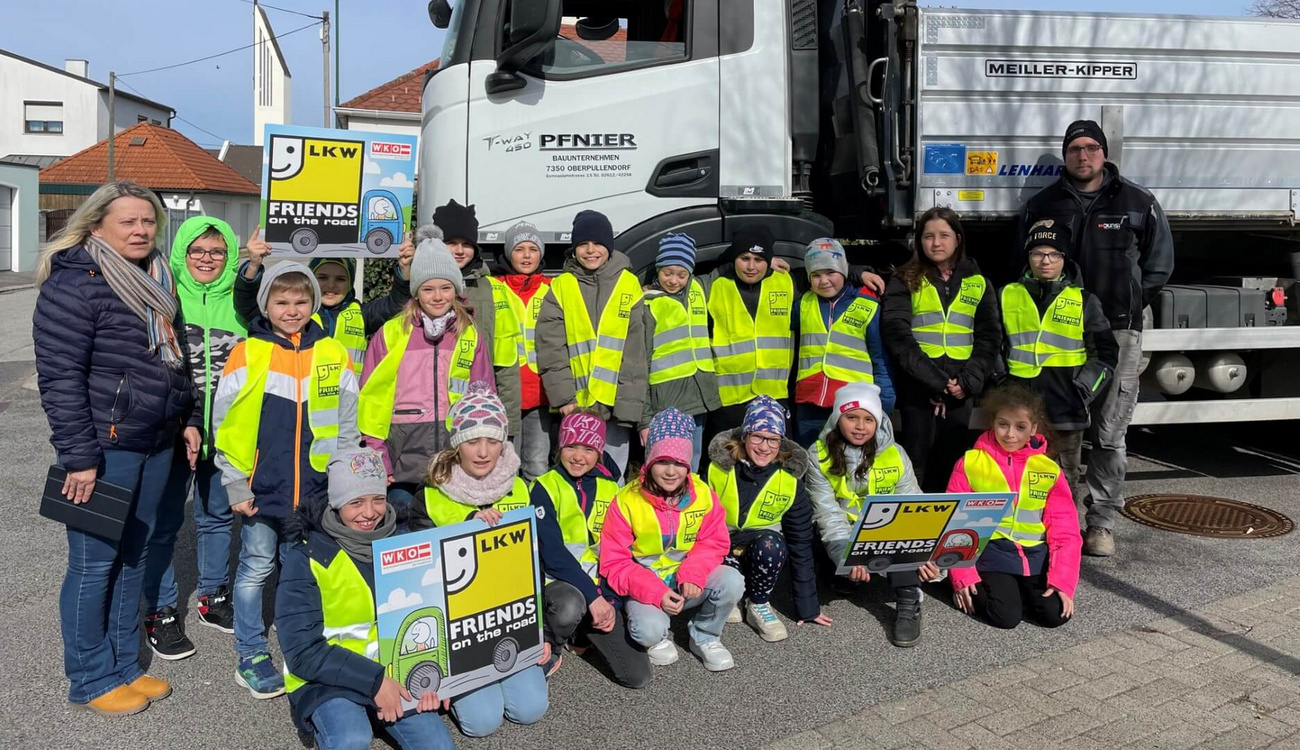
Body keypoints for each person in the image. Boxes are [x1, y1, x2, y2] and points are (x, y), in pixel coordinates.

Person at [34, 181, 193, 716]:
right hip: (105, 447)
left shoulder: (158, 277)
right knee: (94, 562)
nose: (141, 230)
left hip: (155, 441)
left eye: (147, 221)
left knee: (135, 555)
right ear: (97, 224)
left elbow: (178, 361)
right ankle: (90, 676)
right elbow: (60, 377)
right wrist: (78, 456)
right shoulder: (76, 284)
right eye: (128, 221)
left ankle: (126, 664)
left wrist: (186, 421)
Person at [1021, 120, 1174, 558]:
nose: (1082, 156)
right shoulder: (1043, 205)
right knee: (1056, 431)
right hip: (1059, 334)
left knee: (1109, 432)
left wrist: (1126, 303)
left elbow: (1159, 265)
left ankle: (1101, 521)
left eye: (1091, 148)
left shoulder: (1138, 202)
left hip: (1119, 332)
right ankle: (1058, 519)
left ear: (1104, 154)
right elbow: (1024, 261)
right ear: (1065, 155)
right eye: (1074, 149)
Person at [213, 261, 360, 701]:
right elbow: (226, 423)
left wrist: (346, 481)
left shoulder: (332, 353)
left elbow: (348, 423)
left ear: (314, 303)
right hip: (262, 487)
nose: (292, 309)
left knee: (309, 570)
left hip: (319, 491)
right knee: (256, 567)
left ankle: (310, 644)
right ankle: (251, 653)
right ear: (266, 304)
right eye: (282, 301)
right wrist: (235, 482)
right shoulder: (248, 353)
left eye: (301, 301)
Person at [277, 448, 456, 750]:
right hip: (328, 679)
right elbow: (302, 651)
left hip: (394, 672)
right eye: (355, 502)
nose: (370, 512)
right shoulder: (306, 558)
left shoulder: (405, 544)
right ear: (336, 503)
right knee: (350, 739)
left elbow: (431, 614)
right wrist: (374, 683)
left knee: (438, 746)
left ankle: (378, 709)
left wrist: (438, 677)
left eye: (378, 499)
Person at [408, 385, 550, 736]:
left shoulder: (521, 488)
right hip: (457, 630)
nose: (483, 452)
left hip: (508, 621)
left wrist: (539, 631)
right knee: (481, 722)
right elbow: (415, 574)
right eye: (472, 441)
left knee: (531, 708)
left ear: (504, 441)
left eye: (492, 440)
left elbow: (537, 565)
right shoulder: (429, 495)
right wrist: (465, 532)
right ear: (457, 444)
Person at [142, 216, 245, 662]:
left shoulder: (243, 303)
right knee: (164, 524)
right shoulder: (166, 298)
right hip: (173, 430)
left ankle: (212, 596)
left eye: (217, 252)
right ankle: (161, 610)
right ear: (182, 252)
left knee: (217, 517)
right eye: (197, 251)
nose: (207, 259)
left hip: (225, 433)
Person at [358, 234, 495, 520]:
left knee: (451, 531)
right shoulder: (392, 333)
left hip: (454, 458)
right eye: (428, 289)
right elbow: (370, 400)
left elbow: (485, 398)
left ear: (455, 290)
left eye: (445, 288)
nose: (437, 296)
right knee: (403, 532)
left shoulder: (468, 334)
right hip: (401, 461)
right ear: (416, 292)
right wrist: (378, 455)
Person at [600, 408, 745, 672]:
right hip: (646, 586)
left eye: (679, 463)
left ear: (688, 464)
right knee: (648, 631)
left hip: (688, 579)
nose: (670, 471)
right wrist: (656, 592)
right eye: (662, 461)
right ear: (649, 462)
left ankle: (705, 634)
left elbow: (714, 541)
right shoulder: (625, 500)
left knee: (732, 580)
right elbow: (615, 563)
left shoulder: (703, 493)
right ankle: (657, 633)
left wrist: (693, 574)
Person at [806, 383, 937, 647]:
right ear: (837, 418)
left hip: (884, 530)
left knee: (900, 533)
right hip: (843, 532)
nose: (860, 426)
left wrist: (922, 551)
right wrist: (847, 557)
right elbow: (827, 514)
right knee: (824, 550)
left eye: (868, 419)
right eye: (851, 417)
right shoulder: (817, 455)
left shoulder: (895, 454)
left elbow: (914, 505)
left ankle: (909, 599)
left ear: (878, 422)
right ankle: (842, 574)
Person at [529, 412, 653, 688]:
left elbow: (618, 549)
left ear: (599, 452)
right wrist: (593, 597)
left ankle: (581, 633)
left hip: (600, 584)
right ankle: (551, 645)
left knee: (637, 676)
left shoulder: (611, 488)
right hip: (560, 585)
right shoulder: (543, 487)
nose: (578, 456)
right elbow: (553, 553)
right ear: (560, 447)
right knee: (569, 606)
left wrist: (609, 601)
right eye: (571, 446)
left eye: (588, 449)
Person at [881, 207, 1001, 491]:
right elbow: (897, 335)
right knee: (915, 463)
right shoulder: (904, 279)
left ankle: (947, 531)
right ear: (918, 241)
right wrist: (935, 383)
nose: (936, 243)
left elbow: (990, 337)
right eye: (928, 236)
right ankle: (915, 529)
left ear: (958, 239)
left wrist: (967, 383)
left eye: (944, 235)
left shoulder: (979, 282)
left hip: (962, 388)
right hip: (919, 387)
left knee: (953, 463)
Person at [945, 382, 1081, 629]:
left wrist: (1063, 581)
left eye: (1020, 427)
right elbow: (954, 523)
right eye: (1003, 424)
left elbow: (1066, 530)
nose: (1010, 434)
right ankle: (1002, 591)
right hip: (991, 553)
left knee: (1056, 615)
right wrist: (961, 577)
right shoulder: (971, 462)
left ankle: (1018, 591)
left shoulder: (1049, 469)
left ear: (1033, 429)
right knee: (1005, 617)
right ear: (992, 423)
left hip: (1035, 555)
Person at [1001, 219, 1118, 502]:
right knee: (1015, 478)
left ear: (1064, 259)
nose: (1045, 261)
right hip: (1018, 408)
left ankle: (1063, 542)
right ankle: (1024, 541)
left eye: (1054, 254)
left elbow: (1106, 353)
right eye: (1038, 253)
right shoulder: (1007, 295)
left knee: (1063, 482)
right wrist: (999, 383)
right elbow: (994, 344)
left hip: (1066, 406)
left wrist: (1084, 389)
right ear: (1028, 257)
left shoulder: (1084, 300)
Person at [535, 210, 647, 479]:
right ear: (574, 250)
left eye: (598, 244)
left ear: (609, 247)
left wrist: (629, 405)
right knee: (575, 469)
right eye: (583, 245)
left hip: (614, 405)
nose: (590, 250)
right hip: (575, 403)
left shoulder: (629, 284)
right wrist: (563, 398)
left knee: (614, 471)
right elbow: (551, 347)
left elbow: (636, 352)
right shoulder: (562, 286)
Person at [706, 396, 827, 642]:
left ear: (781, 443)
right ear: (744, 437)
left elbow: (801, 541)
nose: (764, 447)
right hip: (720, 545)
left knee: (772, 546)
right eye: (757, 437)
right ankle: (729, 595)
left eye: (772, 439)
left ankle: (758, 603)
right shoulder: (716, 469)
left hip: (760, 548)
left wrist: (808, 607)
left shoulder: (790, 480)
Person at [235, 227, 415, 373]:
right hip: (302, 400)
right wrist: (253, 265)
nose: (331, 285)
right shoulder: (297, 314)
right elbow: (247, 307)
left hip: (348, 402)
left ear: (350, 283)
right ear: (311, 280)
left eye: (340, 279)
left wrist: (405, 269)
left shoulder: (362, 314)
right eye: (322, 277)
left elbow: (396, 304)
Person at [429, 200, 523, 440]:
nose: (460, 251)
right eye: (451, 243)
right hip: (427, 413)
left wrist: (509, 425)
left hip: (477, 413)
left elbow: (506, 365)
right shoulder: (421, 287)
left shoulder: (494, 292)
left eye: (467, 244)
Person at [793, 237, 895, 447]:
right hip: (810, 403)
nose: (824, 281)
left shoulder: (867, 305)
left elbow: (880, 359)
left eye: (831, 273)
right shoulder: (802, 302)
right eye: (816, 275)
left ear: (844, 271)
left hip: (853, 407)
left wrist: (884, 404)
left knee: (850, 467)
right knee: (812, 466)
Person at [641, 232, 721, 470]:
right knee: (665, 462)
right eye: (667, 273)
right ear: (658, 271)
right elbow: (640, 363)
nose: (674, 280)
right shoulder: (649, 304)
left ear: (690, 273)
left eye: (681, 274)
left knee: (692, 462)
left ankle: (688, 504)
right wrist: (644, 419)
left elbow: (727, 269)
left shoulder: (699, 288)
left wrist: (769, 261)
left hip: (699, 398)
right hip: (667, 403)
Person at [497, 220, 555, 480]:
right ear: (509, 254)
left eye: (533, 249)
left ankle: (537, 517)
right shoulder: (494, 287)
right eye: (520, 249)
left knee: (537, 465)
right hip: (504, 392)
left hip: (541, 393)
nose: (527, 256)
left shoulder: (552, 289)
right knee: (504, 469)